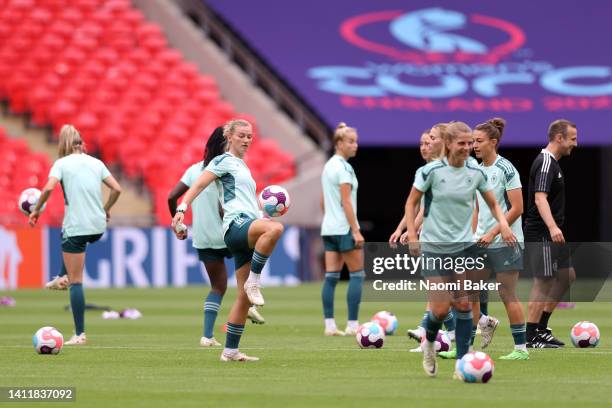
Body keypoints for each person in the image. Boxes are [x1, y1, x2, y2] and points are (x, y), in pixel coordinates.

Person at [403, 121, 516, 377]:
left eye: (470, 143)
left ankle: (462, 363)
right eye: (462, 143)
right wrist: (412, 235)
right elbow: (411, 204)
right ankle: (430, 343)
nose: (468, 147)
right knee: (441, 309)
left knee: (464, 305)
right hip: (433, 247)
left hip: (462, 249)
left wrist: (503, 225)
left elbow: (494, 203)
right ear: (449, 144)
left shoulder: (475, 173)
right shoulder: (431, 171)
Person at [172, 119, 283, 362]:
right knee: (275, 230)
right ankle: (255, 281)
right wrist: (181, 208)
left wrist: (260, 213)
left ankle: (230, 351)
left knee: (243, 297)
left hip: (247, 222)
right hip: (236, 225)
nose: (246, 140)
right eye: (242, 135)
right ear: (229, 137)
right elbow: (199, 183)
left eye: (250, 136)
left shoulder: (242, 166)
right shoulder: (222, 161)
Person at [29, 124, 122, 345]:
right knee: (67, 233)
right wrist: (106, 208)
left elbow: (49, 188)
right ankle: (61, 275)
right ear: (82, 143)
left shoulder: (61, 164)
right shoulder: (96, 162)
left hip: (78, 227)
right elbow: (117, 188)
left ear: (63, 144)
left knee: (76, 281)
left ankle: (79, 334)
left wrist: (36, 210)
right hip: (98, 225)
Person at [471, 118, 529, 360]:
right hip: (481, 240)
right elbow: (477, 208)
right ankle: (474, 334)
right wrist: (472, 236)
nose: (474, 145)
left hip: (505, 241)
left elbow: (517, 208)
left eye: (479, 141)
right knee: (467, 292)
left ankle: (520, 349)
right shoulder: (476, 169)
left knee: (507, 294)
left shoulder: (506, 169)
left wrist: (493, 232)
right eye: (473, 141)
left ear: (493, 142)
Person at [524, 119, 578, 348]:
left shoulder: (553, 163)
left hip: (552, 231)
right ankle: (530, 337)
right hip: (542, 232)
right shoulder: (546, 162)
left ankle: (542, 328)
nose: (575, 143)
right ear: (559, 137)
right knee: (544, 281)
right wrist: (553, 227)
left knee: (567, 276)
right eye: (573, 138)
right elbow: (539, 197)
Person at [320, 123, 364, 336]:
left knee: (331, 276)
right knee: (357, 275)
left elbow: (323, 200)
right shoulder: (344, 168)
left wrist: (330, 217)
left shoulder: (328, 165)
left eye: (355, 141)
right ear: (339, 144)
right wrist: (355, 230)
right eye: (351, 141)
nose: (355, 145)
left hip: (328, 228)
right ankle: (353, 325)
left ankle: (329, 325)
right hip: (344, 228)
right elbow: (346, 201)